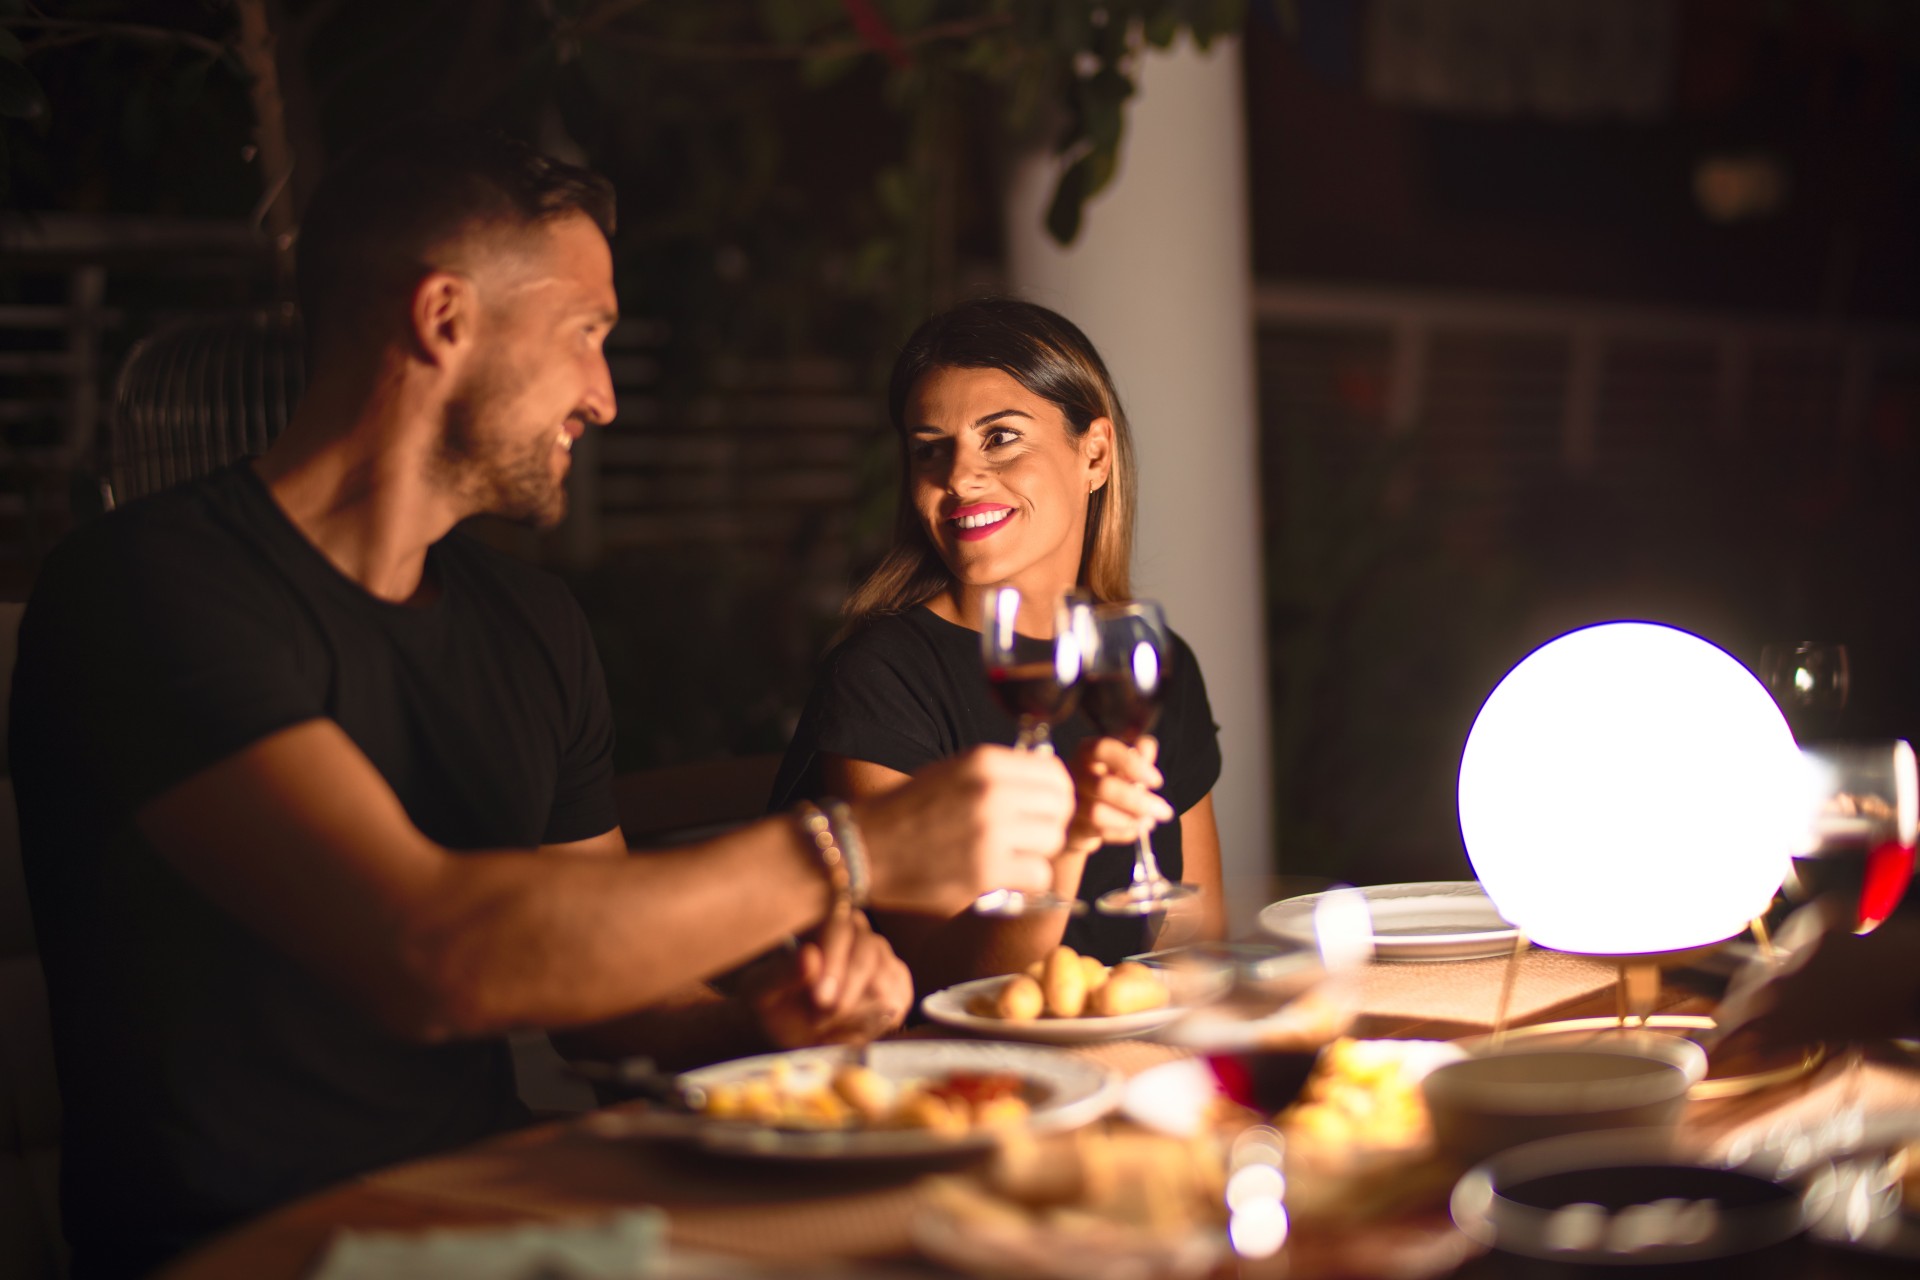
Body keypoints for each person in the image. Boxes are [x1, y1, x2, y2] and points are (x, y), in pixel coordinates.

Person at [7, 129, 1073, 1280]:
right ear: (444, 318)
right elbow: (431, 949)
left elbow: (610, 1000)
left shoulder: (532, 625)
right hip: (263, 1253)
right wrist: (852, 850)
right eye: (588, 335)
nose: (606, 397)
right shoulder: (149, 588)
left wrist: (758, 1018)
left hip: (509, 1211)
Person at [771, 299, 1224, 986]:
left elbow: (1196, 934)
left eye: (1000, 437)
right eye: (931, 449)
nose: (958, 477)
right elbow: (944, 974)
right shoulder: (882, 675)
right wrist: (1072, 841)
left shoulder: (1146, 662)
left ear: (1094, 454)